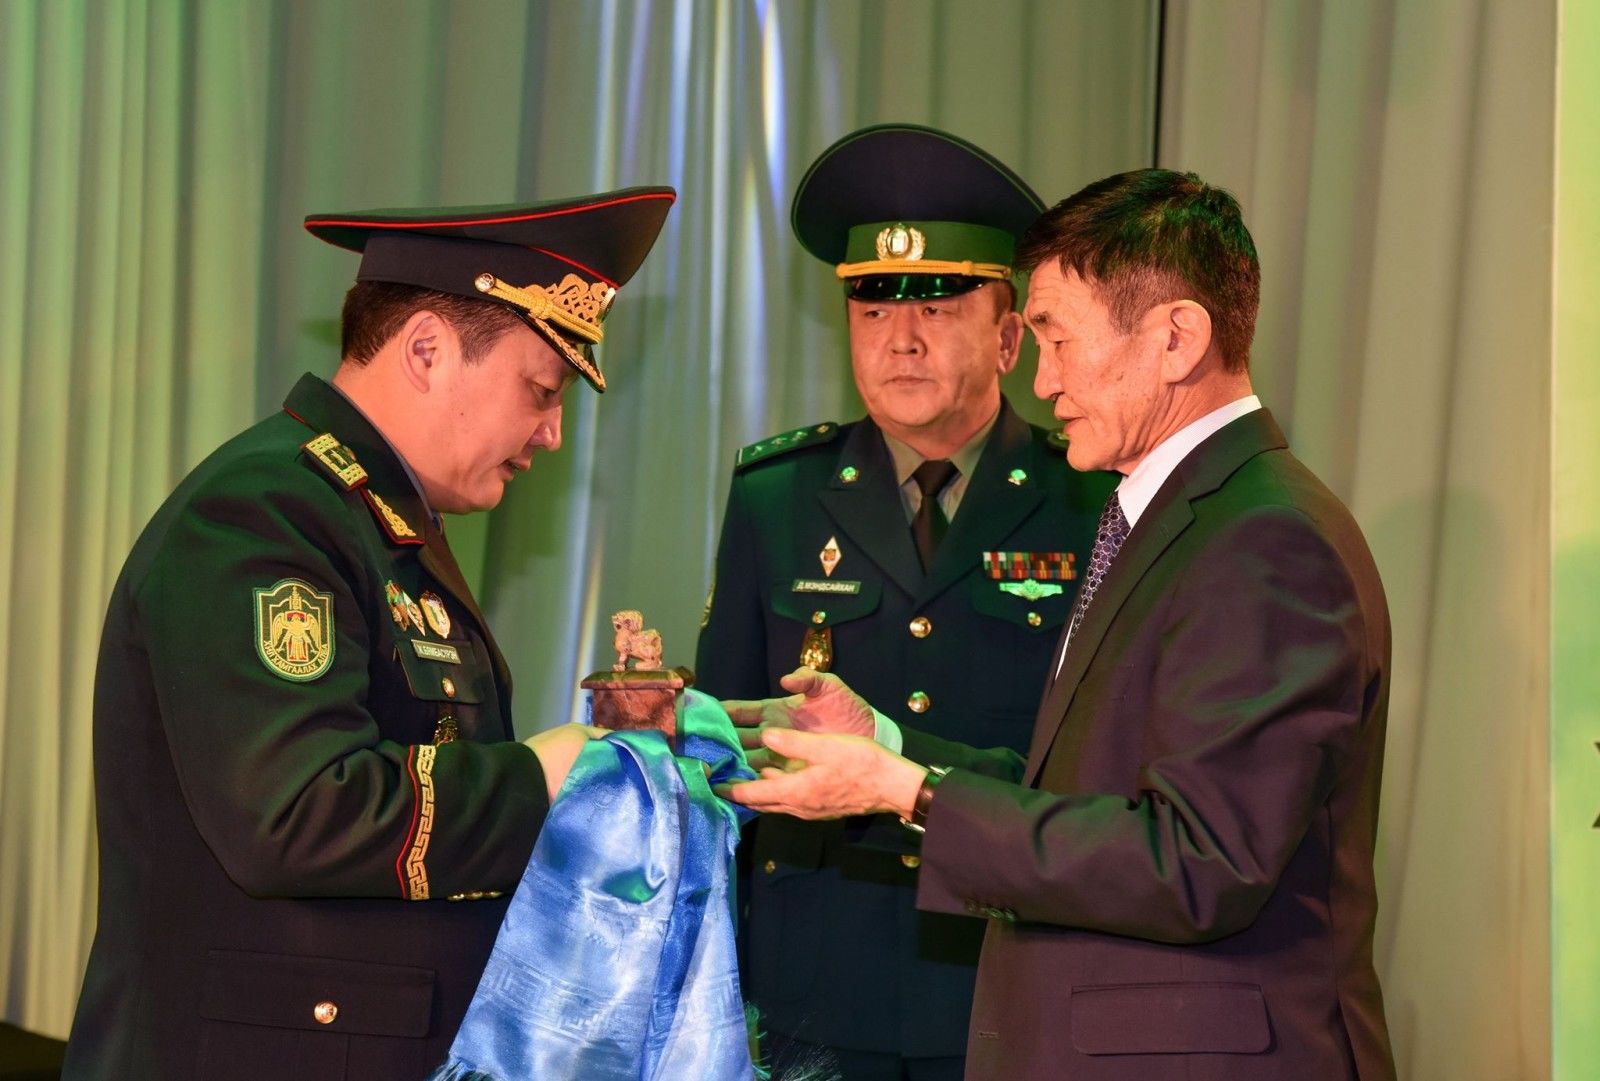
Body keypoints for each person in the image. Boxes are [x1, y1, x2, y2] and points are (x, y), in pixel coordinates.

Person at [724, 168, 1397, 1081]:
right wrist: (889, 749)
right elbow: (1084, 792)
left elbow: (1199, 860)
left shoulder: (1264, 540)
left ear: (1176, 338)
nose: (1040, 381)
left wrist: (910, 794)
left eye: (1058, 338)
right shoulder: (1179, 516)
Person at [61, 187, 676, 1080]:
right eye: (542, 389)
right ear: (426, 350)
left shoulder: (374, 521)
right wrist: (538, 777)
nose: (551, 432)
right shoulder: (265, 511)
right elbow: (298, 812)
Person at [694, 124, 1112, 1080]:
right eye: (873, 306)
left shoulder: (1090, 498)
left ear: (1009, 337)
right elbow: (726, 743)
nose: (902, 338)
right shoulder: (777, 494)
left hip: (1006, 969)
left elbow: (1100, 773)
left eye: (938, 304)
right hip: (816, 982)